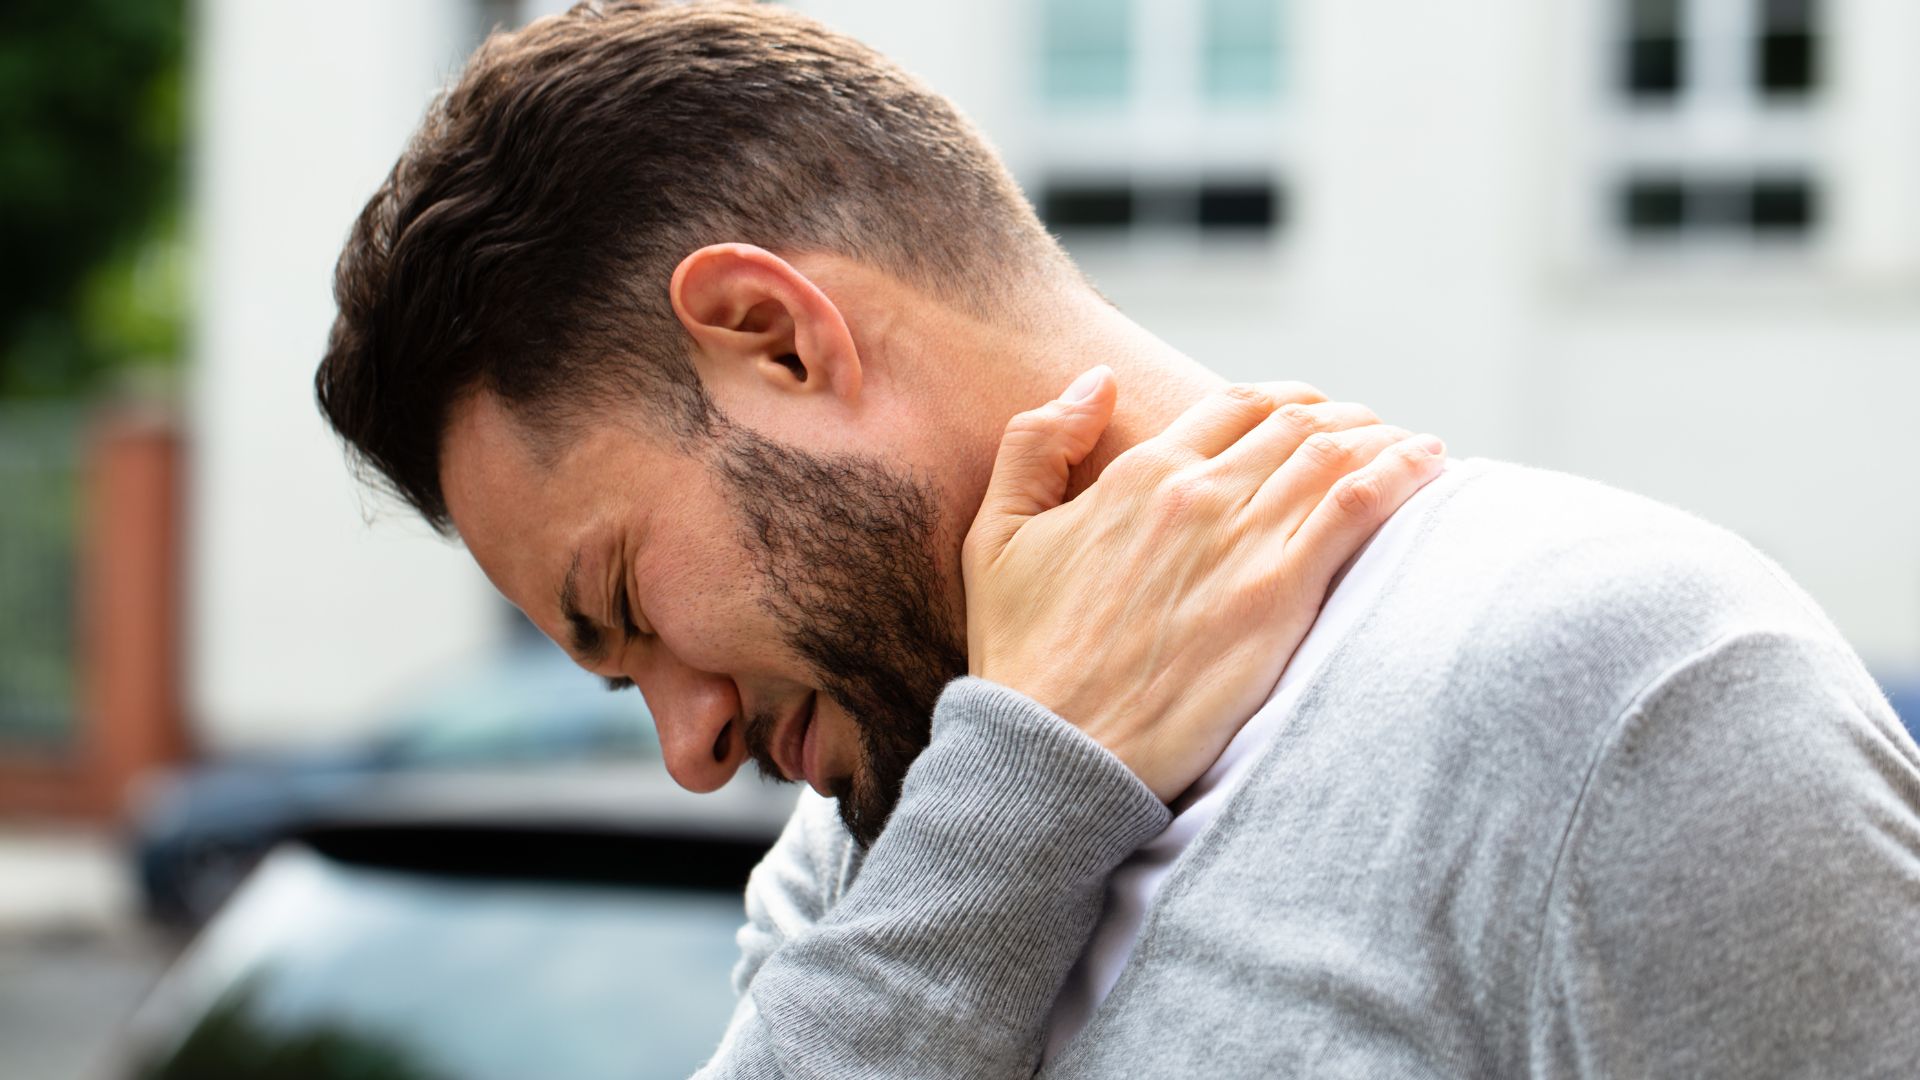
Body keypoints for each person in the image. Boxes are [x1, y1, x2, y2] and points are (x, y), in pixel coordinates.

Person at [312, 2, 1920, 1076]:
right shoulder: (895, 842)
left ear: (777, 340)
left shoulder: (1621, 690)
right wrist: (1019, 795)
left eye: (624, 606)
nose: (686, 745)